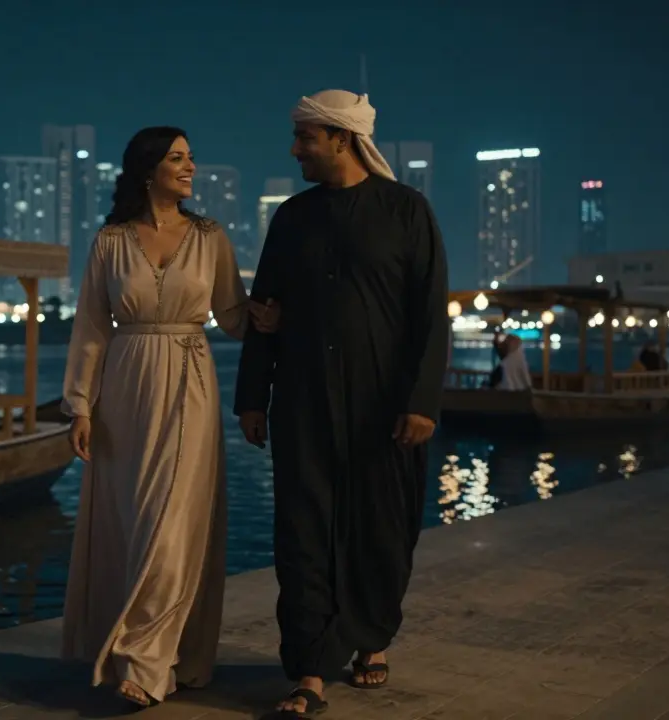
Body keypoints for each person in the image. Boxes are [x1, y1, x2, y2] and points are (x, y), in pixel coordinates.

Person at [235, 90, 449, 716]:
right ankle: (309, 671)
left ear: (341, 139)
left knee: (382, 530)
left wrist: (422, 402)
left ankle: (371, 638)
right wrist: (253, 396)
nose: (295, 148)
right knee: (301, 533)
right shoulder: (293, 218)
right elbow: (262, 309)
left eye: (305, 137)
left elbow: (429, 317)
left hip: (385, 408)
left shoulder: (407, 212)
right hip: (302, 402)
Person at [59, 126, 280, 708]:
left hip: (188, 379)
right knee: (131, 519)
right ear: (147, 170)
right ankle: (151, 651)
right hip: (123, 388)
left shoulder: (210, 237)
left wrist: (272, 317)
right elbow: (88, 328)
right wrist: (80, 405)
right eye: (177, 158)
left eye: (190, 157)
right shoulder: (109, 241)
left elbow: (232, 315)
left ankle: (147, 661)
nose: (190, 167)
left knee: (172, 519)